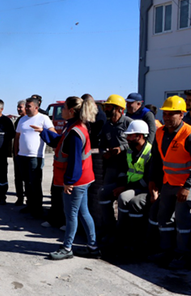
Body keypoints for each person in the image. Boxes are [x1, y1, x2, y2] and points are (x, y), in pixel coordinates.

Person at [36, 96, 99, 260]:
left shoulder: (75, 132)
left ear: (71, 111)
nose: (61, 110)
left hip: (76, 181)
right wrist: (43, 132)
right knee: (83, 212)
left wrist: (69, 182)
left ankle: (67, 248)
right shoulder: (74, 127)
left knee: (71, 214)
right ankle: (92, 246)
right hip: (83, 179)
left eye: (63, 108)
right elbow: (59, 142)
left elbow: (75, 161)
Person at [149, 96, 191, 269]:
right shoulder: (160, 132)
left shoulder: (188, 133)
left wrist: (187, 186)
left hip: (184, 187)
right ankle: (166, 251)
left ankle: (184, 256)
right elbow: (157, 161)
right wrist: (153, 183)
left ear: (181, 115)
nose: (166, 117)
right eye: (165, 113)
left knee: (183, 221)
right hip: (168, 184)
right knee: (163, 217)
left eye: (171, 114)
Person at [111, 120, 152, 256]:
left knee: (127, 199)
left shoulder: (150, 153)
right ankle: (121, 234)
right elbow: (123, 170)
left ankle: (135, 240)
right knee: (107, 194)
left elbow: (148, 179)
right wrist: (122, 185)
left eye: (130, 136)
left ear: (139, 136)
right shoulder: (130, 151)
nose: (127, 138)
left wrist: (125, 188)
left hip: (144, 188)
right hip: (130, 186)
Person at [98, 94, 133, 246]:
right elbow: (101, 144)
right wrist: (104, 151)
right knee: (105, 196)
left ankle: (123, 233)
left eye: (109, 107)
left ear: (119, 109)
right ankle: (109, 229)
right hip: (111, 167)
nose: (106, 109)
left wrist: (122, 148)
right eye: (106, 106)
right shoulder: (106, 126)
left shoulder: (129, 123)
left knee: (123, 200)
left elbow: (139, 142)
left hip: (128, 168)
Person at [14, 97, 55, 217]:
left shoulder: (43, 118)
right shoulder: (22, 120)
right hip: (22, 156)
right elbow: (17, 137)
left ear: (36, 107)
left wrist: (43, 131)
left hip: (35, 157)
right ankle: (29, 205)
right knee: (26, 182)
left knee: (35, 183)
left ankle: (37, 209)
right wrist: (16, 152)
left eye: (29, 106)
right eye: (26, 106)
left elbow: (53, 133)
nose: (26, 108)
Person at [13, 100, 27, 206]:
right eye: (17, 107)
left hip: (28, 155)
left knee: (28, 178)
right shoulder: (18, 120)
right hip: (18, 154)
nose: (18, 109)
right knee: (18, 177)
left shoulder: (31, 119)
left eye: (20, 107)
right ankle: (20, 198)